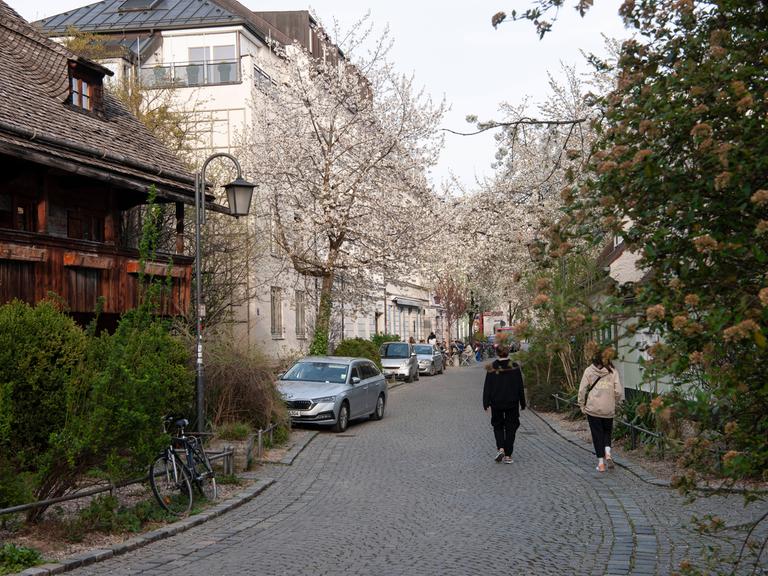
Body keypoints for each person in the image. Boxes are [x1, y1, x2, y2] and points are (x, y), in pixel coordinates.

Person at [578, 350, 624, 473]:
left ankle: (601, 464)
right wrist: (615, 401)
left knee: (597, 435)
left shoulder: (589, 371)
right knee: (607, 432)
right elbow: (618, 391)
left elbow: (582, 390)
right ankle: (608, 453)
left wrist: (581, 404)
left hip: (593, 409)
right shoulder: (613, 371)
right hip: (608, 409)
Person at [482, 345, 526, 463]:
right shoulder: (514, 366)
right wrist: (523, 402)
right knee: (511, 427)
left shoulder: (492, 367)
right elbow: (519, 386)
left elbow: (488, 386)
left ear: (497, 353)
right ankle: (508, 455)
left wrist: (486, 402)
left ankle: (501, 448)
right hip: (512, 402)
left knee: (498, 426)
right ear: (508, 353)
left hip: (496, 402)